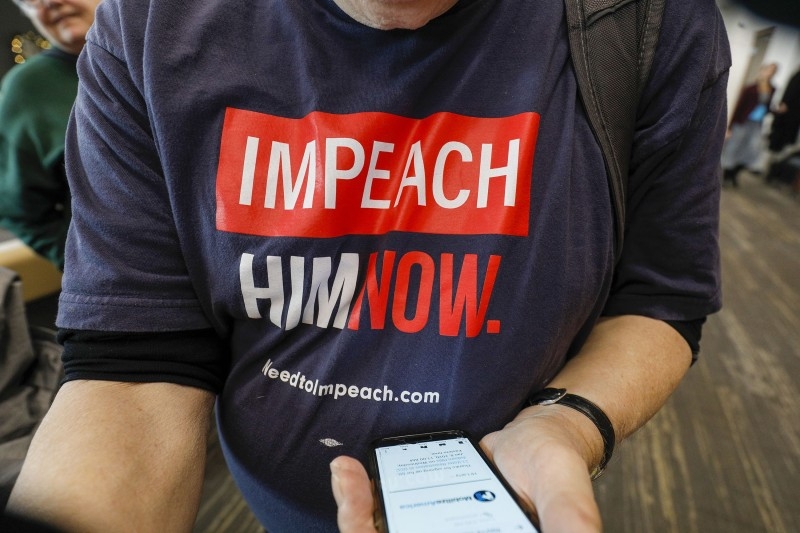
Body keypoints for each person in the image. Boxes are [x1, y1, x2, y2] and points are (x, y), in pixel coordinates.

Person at [6, 0, 730, 532]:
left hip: (515, 497)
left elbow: (661, 298)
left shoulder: (648, 23)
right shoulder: (151, 25)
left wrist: (567, 426)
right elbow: (135, 361)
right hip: (274, 506)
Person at [0, 0, 102, 271]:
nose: (51, 3)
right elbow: (22, 211)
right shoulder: (27, 90)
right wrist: (88, 264)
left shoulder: (167, 55)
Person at [720, 63, 778, 188]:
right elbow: (739, 107)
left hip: (757, 124)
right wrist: (729, 127)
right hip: (743, 122)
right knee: (734, 148)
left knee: (752, 150)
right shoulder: (750, 88)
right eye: (769, 70)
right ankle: (727, 176)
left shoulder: (772, 89)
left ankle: (734, 173)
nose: (770, 73)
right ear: (763, 70)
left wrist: (776, 111)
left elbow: (767, 108)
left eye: (773, 71)